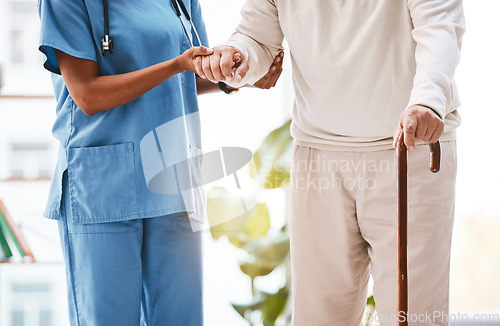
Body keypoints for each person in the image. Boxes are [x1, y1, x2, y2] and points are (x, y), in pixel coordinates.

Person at [195, 0, 465, 325]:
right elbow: (258, 38)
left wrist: (428, 100)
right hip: (318, 152)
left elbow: (439, 28)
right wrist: (238, 54)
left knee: (414, 317)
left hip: (408, 146)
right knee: (319, 319)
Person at [37, 0, 283, 324]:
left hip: (174, 179)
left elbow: (193, 72)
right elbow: (86, 94)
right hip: (103, 188)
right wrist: (175, 65)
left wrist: (239, 78)